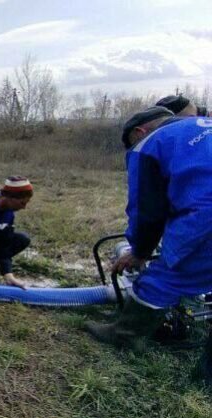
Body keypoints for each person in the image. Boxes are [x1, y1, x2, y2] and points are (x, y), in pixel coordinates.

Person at [86, 106, 212, 361]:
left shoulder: (149, 144)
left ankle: (124, 335)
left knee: (165, 278)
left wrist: (141, 251)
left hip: (205, 216)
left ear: (139, 132)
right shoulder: (202, 125)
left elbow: (146, 209)